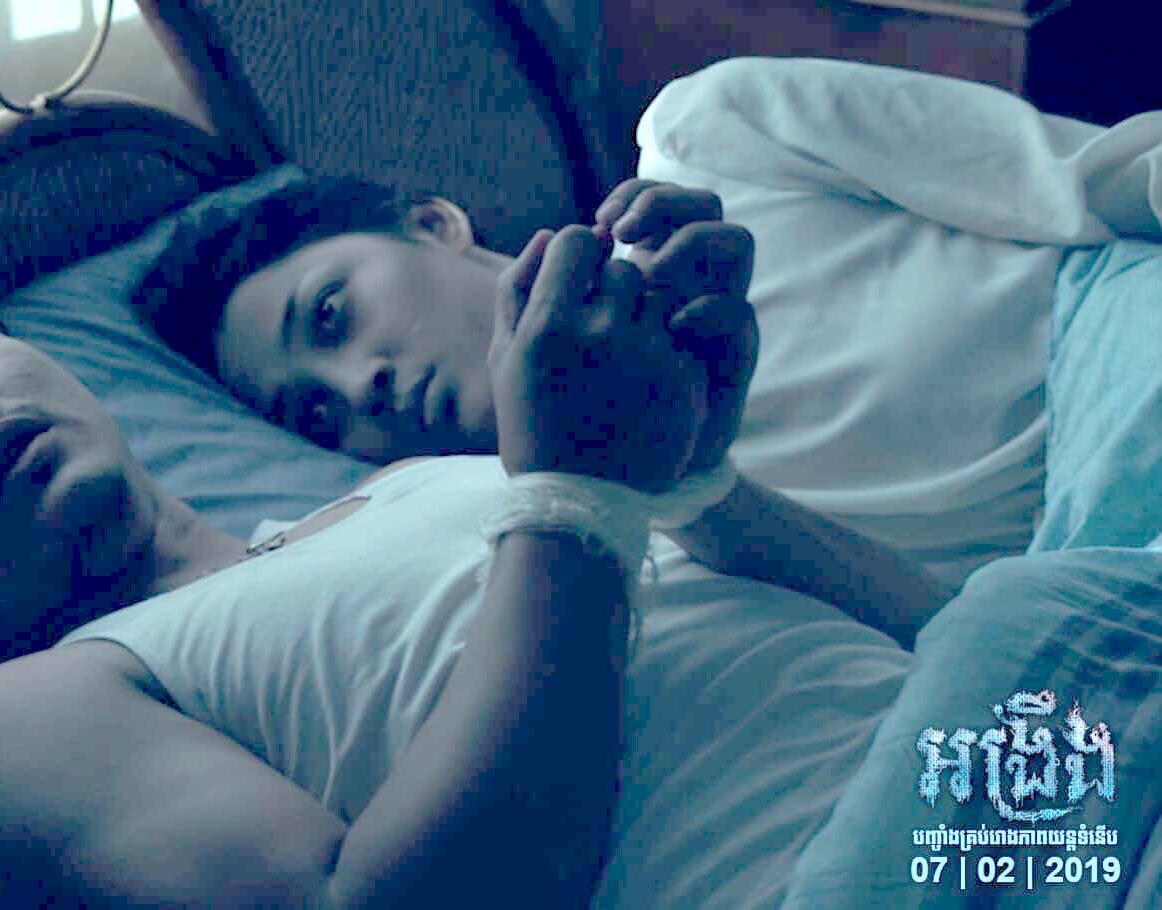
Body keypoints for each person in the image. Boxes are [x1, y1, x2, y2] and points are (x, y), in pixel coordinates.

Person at [0, 206, 960, 908]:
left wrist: (698, 477)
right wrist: (577, 499)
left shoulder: (419, 485)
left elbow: (937, 619)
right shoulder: (7, 726)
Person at [137, 57, 1162, 589]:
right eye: (316, 416)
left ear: (432, 223)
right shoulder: (607, 549)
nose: (357, 385)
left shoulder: (712, 134)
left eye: (331, 314)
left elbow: (1104, 179)